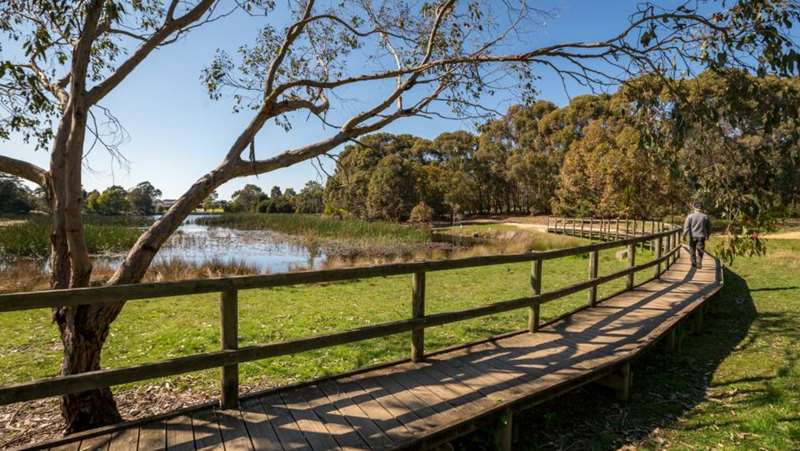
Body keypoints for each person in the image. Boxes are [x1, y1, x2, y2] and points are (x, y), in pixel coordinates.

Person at [682, 201, 712, 269]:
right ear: (702, 208)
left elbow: (686, 227)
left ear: (694, 208)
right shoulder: (705, 217)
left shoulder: (690, 216)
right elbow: (709, 228)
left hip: (692, 236)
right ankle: (699, 262)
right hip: (701, 236)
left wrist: (684, 235)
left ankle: (693, 262)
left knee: (692, 249)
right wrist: (708, 235)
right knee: (700, 249)